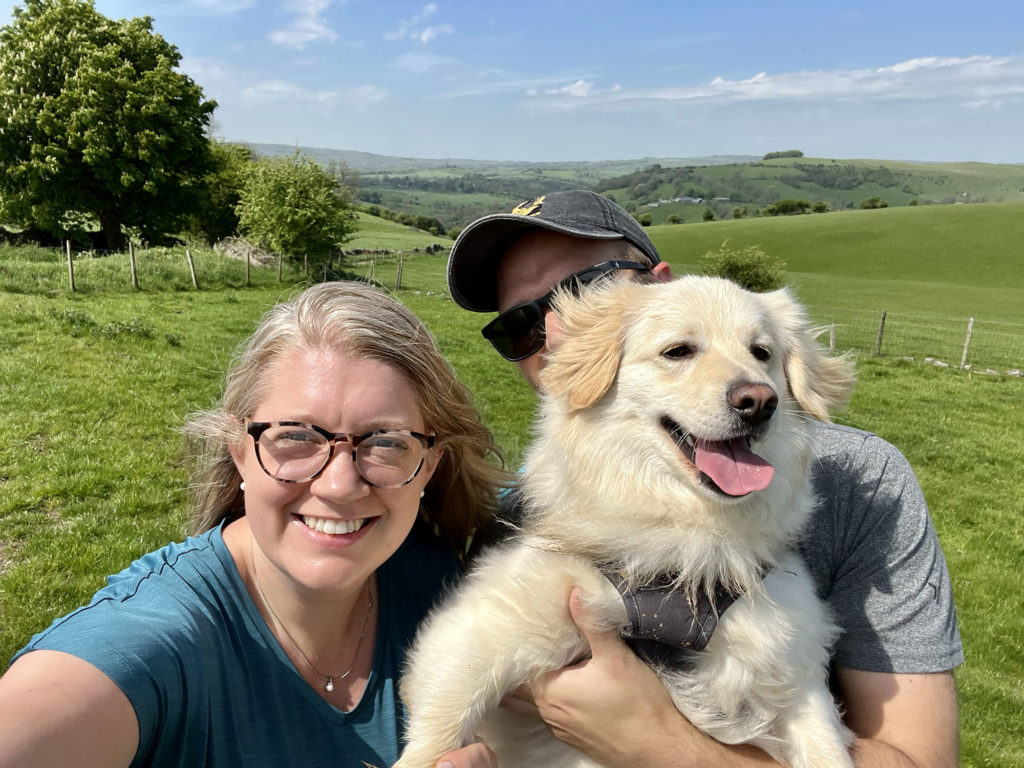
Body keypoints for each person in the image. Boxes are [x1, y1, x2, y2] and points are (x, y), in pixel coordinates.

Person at [447, 190, 963, 768]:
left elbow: (923, 759)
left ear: (660, 282)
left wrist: (662, 744)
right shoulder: (511, 520)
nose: (566, 333)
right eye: (522, 324)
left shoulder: (863, 486)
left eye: (590, 291)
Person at [0, 281, 506, 768]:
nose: (339, 485)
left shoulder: (441, 591)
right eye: (296, 437)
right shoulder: (157, 642)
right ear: (239, 451)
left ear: (430, 466)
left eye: (387, 441)